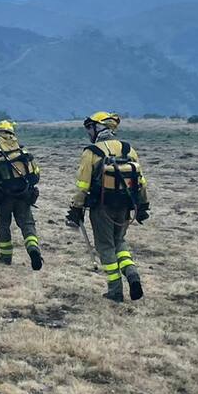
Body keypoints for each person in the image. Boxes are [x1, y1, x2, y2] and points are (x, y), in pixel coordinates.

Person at [65, 112, 150, 302]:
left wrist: (75, 208)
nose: (88, 132)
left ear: (98, 128)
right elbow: (141, 182)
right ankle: (132, 274)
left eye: (90, 128)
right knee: (119, 241)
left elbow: (82, 186)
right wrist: (143, 206)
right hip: (125, 206)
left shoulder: (91, 152)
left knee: (105, 246)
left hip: (101, 207)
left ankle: (115, 290)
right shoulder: (128, 149)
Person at [0, 120, 43, 270]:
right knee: (27, 225)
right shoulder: (23, 153)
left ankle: (6, 257)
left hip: (3, 198)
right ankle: (33, 249)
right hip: (23, 196)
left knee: (4, 226)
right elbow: (36, 175)